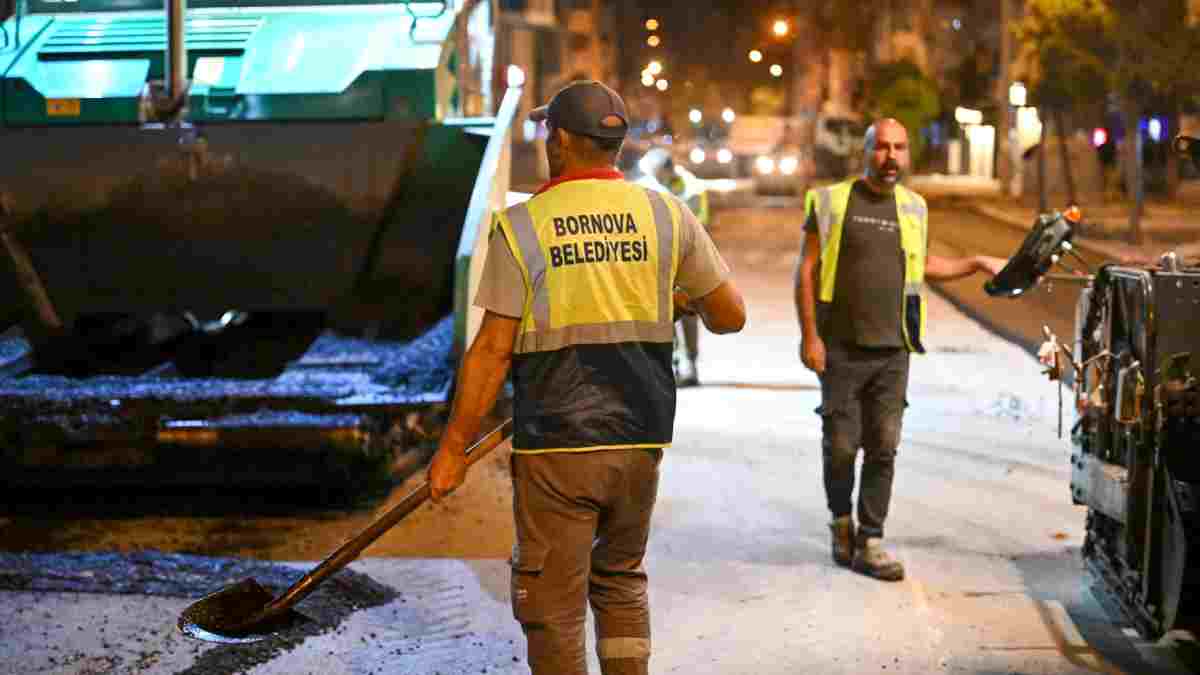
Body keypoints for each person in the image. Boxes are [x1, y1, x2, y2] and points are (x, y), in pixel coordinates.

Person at [427, 80, 746, 675]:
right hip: (638, 441)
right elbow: (730, 316)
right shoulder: (664, 213)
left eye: (552, 131)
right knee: (621, 582)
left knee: (553, 603)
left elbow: (492, 350)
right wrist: (671, 299)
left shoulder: (523, 226)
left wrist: (452, 450)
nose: (548, 139)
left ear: (565, 142)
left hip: (558, 443)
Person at [794, 118, 1007, 582]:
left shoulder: (914, 207)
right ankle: (841, 522)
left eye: (900, 148)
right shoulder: (831, 201)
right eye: (882, 147)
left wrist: (973, 262)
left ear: (907, 154)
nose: (891, 156)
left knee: (884, 448)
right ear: (865, 152)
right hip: (842, 349)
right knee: (841, 449)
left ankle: (870, 539)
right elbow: (806, 269)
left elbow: (920, 263)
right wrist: (809, 335)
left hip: (894, 350)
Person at [634, 148, 711, 386]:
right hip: (657, 261)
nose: (655, 178)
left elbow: (699, 226)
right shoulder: (644, 186)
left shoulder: (692, 189)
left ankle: (691, 364)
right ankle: (673, 366)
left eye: (657, 174)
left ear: (667, 170)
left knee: (687, 313)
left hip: (686, 261)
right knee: (664, 315)